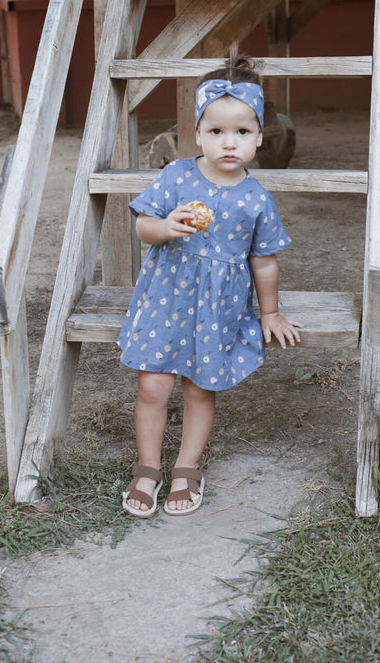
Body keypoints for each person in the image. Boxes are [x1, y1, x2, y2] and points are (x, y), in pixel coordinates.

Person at [117, 54, 303, 517]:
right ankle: (147, 468)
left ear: (260, 137)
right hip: (164, 300)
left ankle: (187, 466)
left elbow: (263, 263)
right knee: (153, 387)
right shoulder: (177, 175)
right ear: (197, 134)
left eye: (242, 132)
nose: (228, 143)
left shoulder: (257, 198)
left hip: (216, 309)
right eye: (216, 131)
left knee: (200, 388)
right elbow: (143, 226)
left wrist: (271, 312)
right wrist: (166, 227)